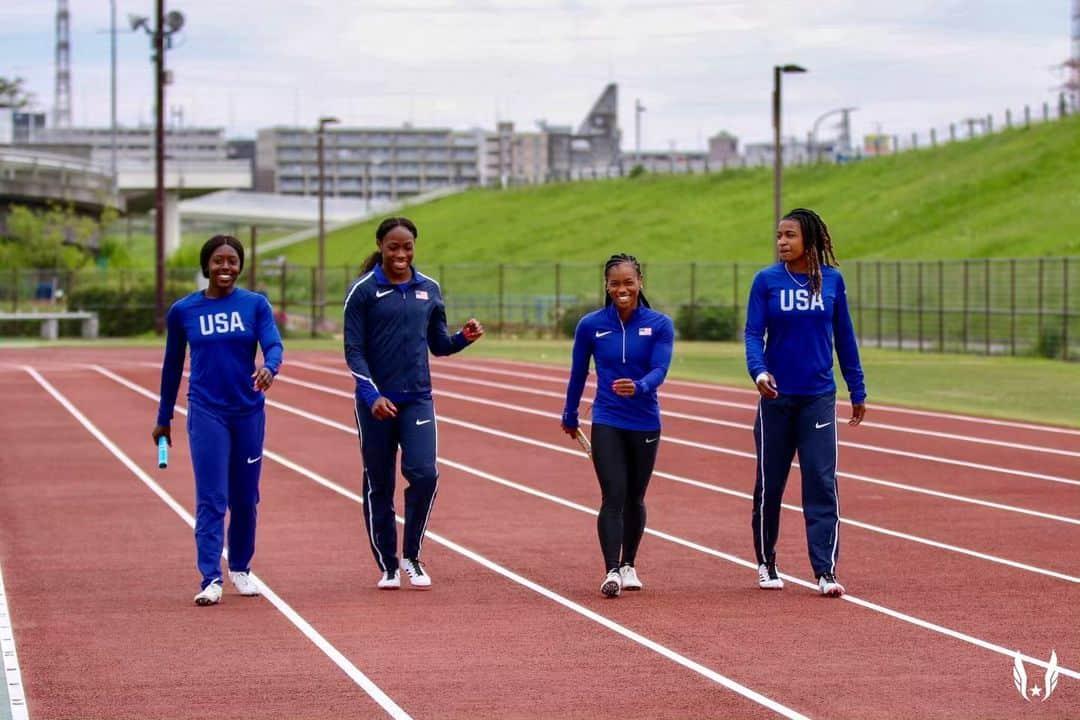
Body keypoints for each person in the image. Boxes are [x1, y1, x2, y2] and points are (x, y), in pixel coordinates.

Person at [344, 216, 484, 590]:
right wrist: (372, 396)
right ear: (380, 246)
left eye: (407, 247)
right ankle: (388, 564)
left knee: (425, 474)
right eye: (394, 247)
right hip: (375, 404)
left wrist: (462, 338)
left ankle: (411, 556)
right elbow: (353, 351)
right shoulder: (363, 292)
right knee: (380, 484)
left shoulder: (429, 289)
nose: (401, 254)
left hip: (417, 399)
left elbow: (438, 345)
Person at [153, 234, 284, 606]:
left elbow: (273, 343)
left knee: (245, 499)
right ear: (206, 265)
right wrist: (164, 418)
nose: (225, 267)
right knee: (213, 498)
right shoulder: (184, 311)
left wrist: (269, 367)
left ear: (240, 266)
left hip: (248, 412)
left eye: (232, 261)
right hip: (207, 411)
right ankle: (210, 577)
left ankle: (240, 568)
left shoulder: (255, 305)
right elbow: (171, 366)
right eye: (218, 261)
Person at [744, 208, 866, 598]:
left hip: (818, 397)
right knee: (770, 484)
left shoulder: (832, 281)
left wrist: (857, 388)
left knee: (820, 480)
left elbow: (844, 338)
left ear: (809, 240)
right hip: (776, 397)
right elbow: (752, 333)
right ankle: (766, 562)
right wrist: (759, 372)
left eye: (790, 235)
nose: (782, 241)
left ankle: (825, 570)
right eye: (779, 235)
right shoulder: (766, 281)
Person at [561, 254, 674, 598]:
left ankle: (629, 564)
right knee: (613, 495)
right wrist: (569, 413)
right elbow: (579, 372)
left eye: (628, 282)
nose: (621, 289)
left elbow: (660, 369)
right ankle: (611, 570)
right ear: (606, 286)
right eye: (615, 283)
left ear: (640, 282)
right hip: (607, 418)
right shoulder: (590, 325)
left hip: (644, 420)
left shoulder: (660, 324)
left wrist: (640, 386)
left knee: (635, 498)